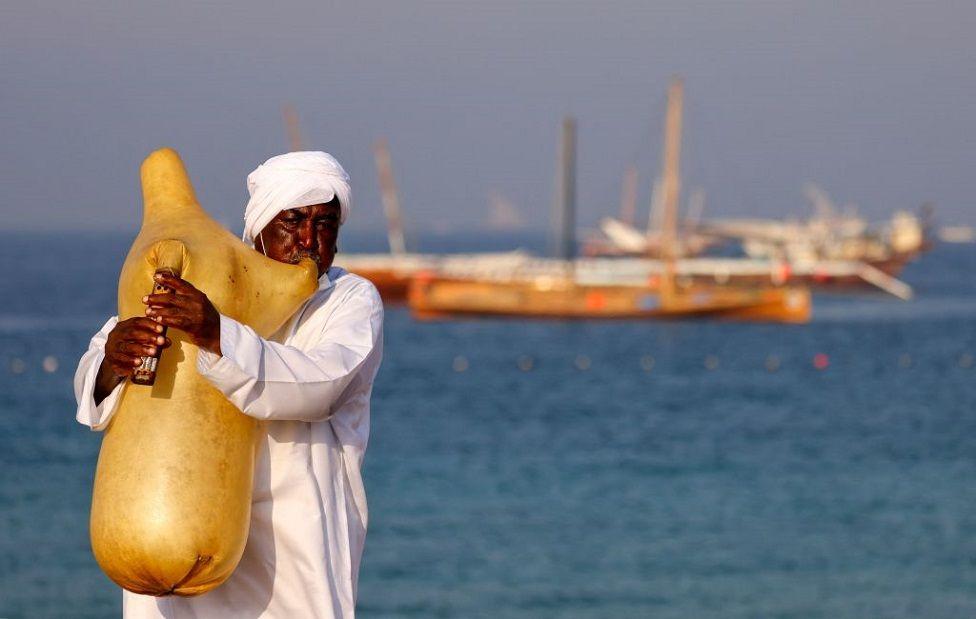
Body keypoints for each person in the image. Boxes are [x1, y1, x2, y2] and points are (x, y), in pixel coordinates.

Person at [73, 151, 384, 618]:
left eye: (326, 225)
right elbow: (92, 393)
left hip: (291, 568)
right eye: (293, 221)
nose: (308, 240)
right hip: (169, 554)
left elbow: (325, 385)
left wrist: (217, 335)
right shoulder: (191, 287)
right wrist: (112, 362)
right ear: (258, 228)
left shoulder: (348, 301)